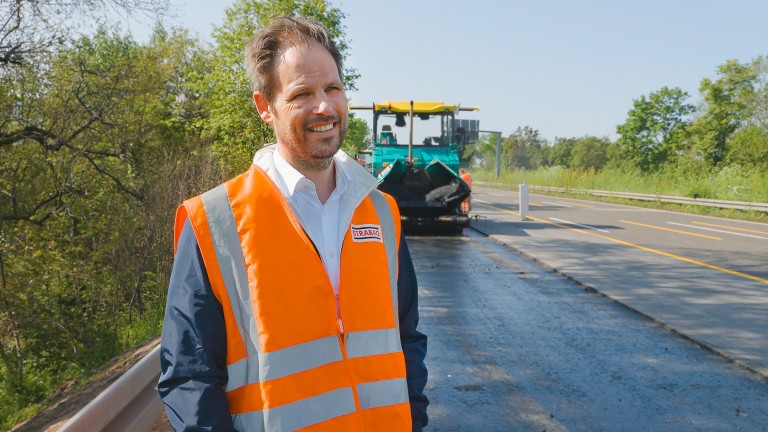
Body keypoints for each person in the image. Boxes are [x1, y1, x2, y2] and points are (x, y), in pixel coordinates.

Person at [157, 16, 428, 432]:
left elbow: (406, 338)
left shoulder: (382, 211)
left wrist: (416, 420)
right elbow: (190, 376)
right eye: (303, 93)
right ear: (265, 107)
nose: (325, 107)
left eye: (333, 88)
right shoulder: (214, 221)